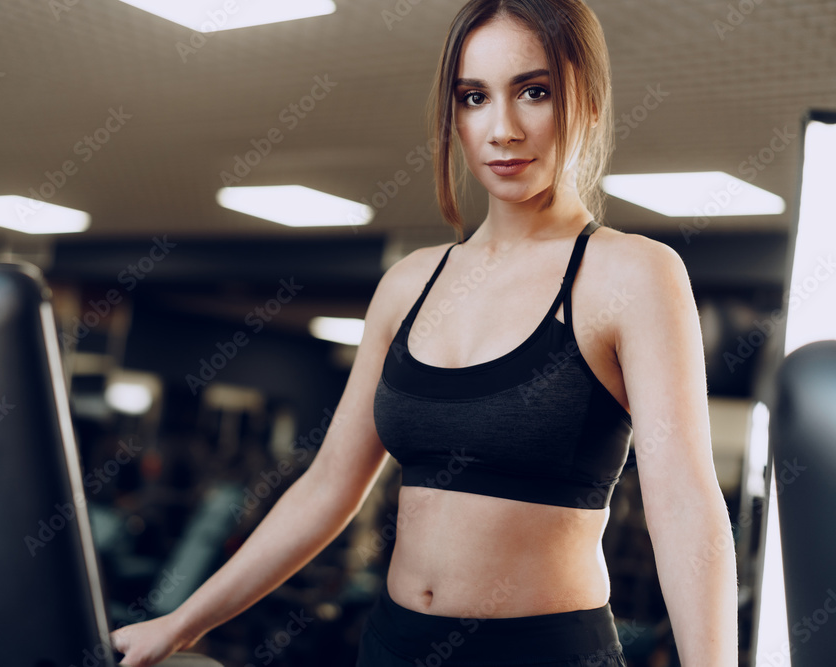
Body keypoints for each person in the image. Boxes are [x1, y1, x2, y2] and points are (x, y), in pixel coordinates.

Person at [109, 1, 739, 665]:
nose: (502, 128)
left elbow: (686, 508)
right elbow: (328, 488)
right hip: (392, 643)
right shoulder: (410, 283)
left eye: (534, 91)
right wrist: (180, 623)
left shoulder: (632, 275)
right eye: (474, 97)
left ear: (584, 97)